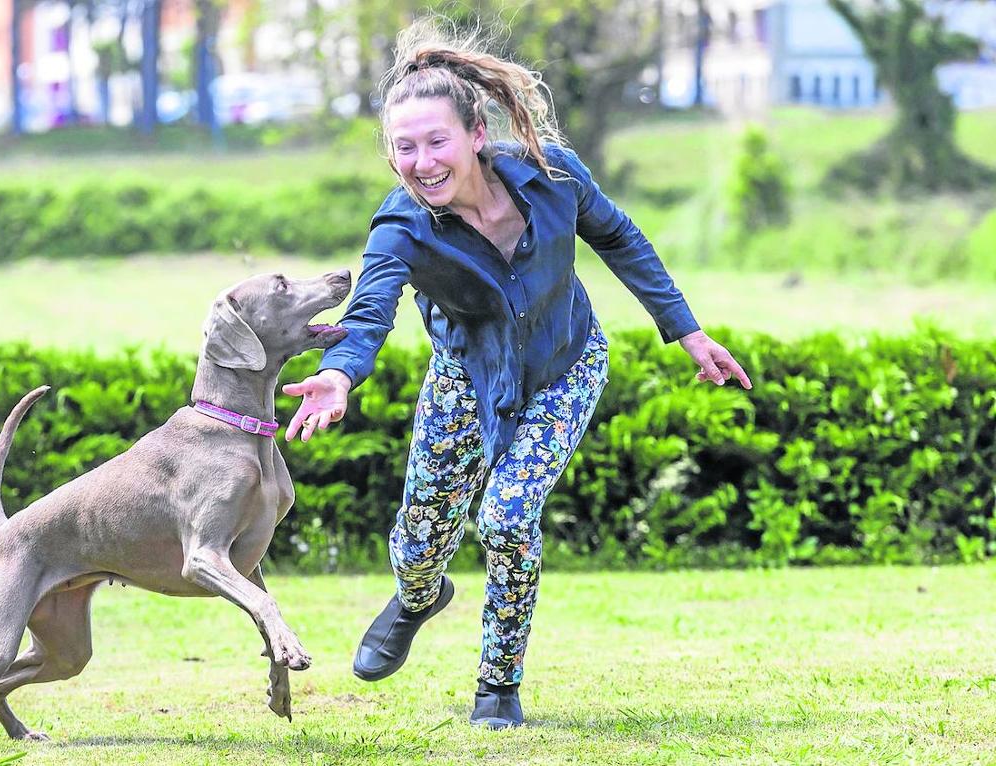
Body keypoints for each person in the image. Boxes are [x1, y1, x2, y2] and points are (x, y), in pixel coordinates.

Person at [282, 19, 751, 730]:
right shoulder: (401, 227)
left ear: (476, 134)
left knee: (506, 518)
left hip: (566, 366)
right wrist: (341, 374)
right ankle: (416, 598)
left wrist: (685, 329)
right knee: (418, 544)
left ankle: (497, 687)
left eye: (435, 141)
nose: (421, 161)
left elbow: (618, 235)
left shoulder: (552, 172)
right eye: (403, 148)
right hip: (465, 382)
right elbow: (371, 308)